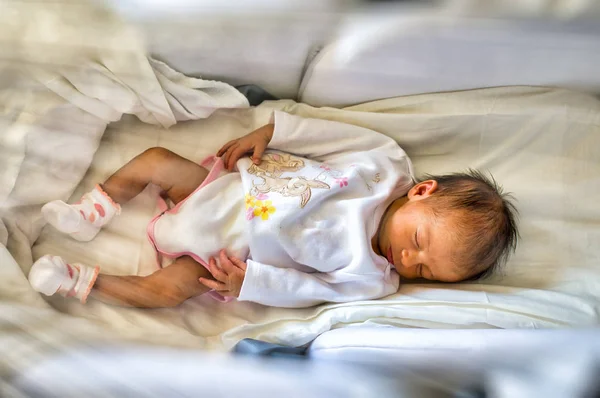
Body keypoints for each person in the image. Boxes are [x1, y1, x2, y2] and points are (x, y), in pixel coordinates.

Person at [28, 111, 519, 308]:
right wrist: (270, 134)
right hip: (224, 189)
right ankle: (95, 211)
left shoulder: (372, 277)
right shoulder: (384, 166)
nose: (410, 262)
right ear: (422, 191)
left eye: (426, 273)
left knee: (165, 292)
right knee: (157, 160)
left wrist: (250, 284)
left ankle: (76, 279)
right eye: (419, 243)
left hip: (221, 255)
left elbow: (310, 290)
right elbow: (331, 135)